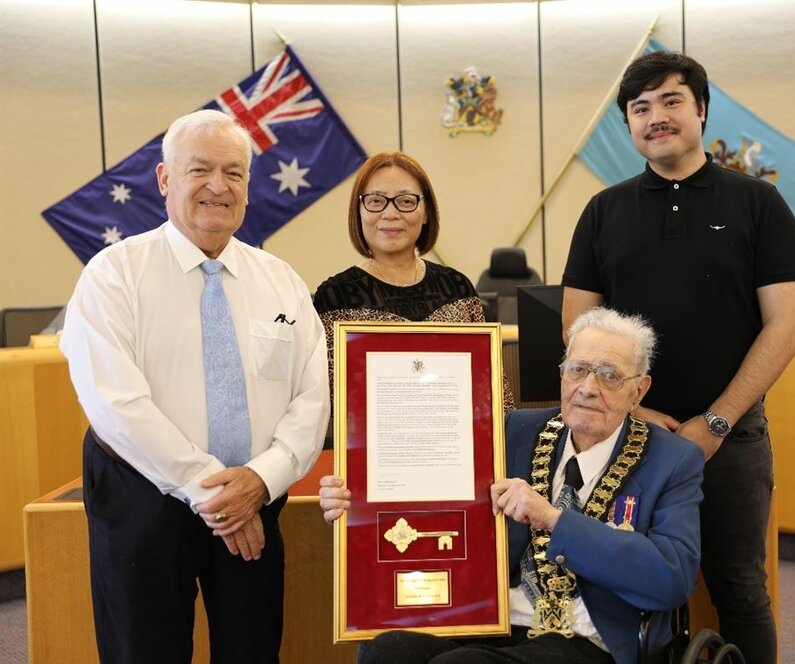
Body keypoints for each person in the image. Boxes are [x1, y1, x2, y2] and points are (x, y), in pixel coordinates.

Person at [561, 50, 795, 664]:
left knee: (741, 590)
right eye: (640, 108)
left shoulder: (759, 204)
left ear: (700, 110)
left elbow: (787, 326)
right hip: (625, 435)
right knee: (626, 585)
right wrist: (634, 416)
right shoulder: (603, 211)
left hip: (732, 438)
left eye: (671, 101)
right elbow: (578, 326)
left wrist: (714, 423)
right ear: (630, 125)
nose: (656, 117)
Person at [60, 109, 330, 663]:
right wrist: (215, 493)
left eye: (234, 172)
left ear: (249, 188)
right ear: (164, 179)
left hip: (256, 498)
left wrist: (260, 480)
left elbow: (311, 399)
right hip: (143, 498)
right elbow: (116, 404)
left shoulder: (281, 281)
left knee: (252, 651)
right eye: (199, 169)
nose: (217, 186)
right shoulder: (114, 275)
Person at [320, 307, 703, 664]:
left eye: (609, 375)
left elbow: (671, 578)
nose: (587, 387)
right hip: (496, 618)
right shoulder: (516, 429)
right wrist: (358, 501)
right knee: (388, 651)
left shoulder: (672, 460)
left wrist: (554, 519)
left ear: (639, 390)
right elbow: (433, 495)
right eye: (577, 369)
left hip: (588, 636)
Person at [312, 150, 514, 413]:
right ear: (358, 211)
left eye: (406, 201)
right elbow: (325, 402)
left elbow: (493, 391)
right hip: (373, 449)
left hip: (455, 444)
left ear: (427, 212)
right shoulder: (334, 297)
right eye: (375, 201)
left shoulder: (457, 288)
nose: (391, 213)